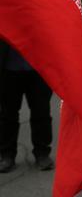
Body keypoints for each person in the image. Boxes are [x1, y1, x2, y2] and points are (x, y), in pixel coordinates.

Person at [0, 43, 54, 174]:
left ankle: (42, 153)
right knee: (8, 114)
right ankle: (7, 155)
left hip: (38, 68)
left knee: (41, 112)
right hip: (8, 68)